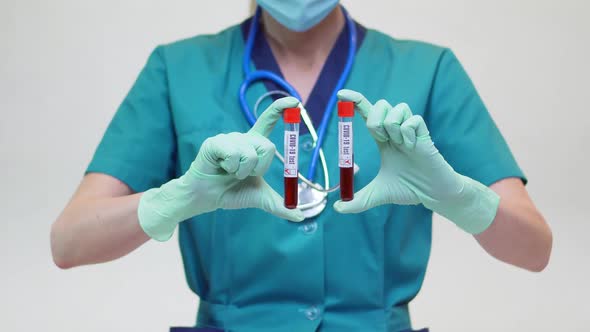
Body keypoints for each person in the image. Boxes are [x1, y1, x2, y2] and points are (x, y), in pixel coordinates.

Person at [50, 1, 553, 331]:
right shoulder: (177, 69)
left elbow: (534, 247)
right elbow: (69, 241)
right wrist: (177, 198)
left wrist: (458, 196)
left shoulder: (429, 69)